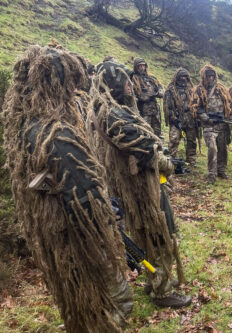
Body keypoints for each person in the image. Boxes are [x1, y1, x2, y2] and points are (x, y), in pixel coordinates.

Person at [2, 44, 133, 332]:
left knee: (74, 291)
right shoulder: (56, 134)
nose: (74, 91)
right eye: (68, 83)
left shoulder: (25, 126)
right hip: (72, 232)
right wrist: (104, 216)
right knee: (91, 289)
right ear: (56, 83)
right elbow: (82, 196)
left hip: (53, 231)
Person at [88, 60, 191, 308]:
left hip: (125, 185)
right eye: (124, 82)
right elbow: (143, 150)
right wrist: (168, 163)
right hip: (141, 186)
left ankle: (155, 278)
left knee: (144, 232)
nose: (130, 86)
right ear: (113, 85)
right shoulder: (114, 114)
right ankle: (163, 291)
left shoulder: (99, 110)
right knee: (160, 231)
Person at [191, 64, 232, 184]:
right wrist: (206, 118)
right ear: (204, 77)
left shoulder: (221, 89)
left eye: (212, 76)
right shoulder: (199, 90)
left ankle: (221, 170)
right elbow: (196, 107)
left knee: (222, 148)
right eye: (208, 76)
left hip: (222, 124)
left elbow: (230, 105)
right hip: (209, 125)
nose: (210, 78)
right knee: (212, 148)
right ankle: (212, 173)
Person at [163, 68, 198, 164]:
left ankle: (191, 160)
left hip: (190, 118)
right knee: (174, 139)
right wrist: (174, 119)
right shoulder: (171, 90)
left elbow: (196, 103)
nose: (183, 78)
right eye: (181, 76)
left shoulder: (191, 89)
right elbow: (168, 107)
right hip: (176, 118)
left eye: (185, 77)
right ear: (177, 77)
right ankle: (172, 160)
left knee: (191, 140)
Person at [132, 57, 164, 137]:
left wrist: (159, 92)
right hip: (142, 109)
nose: (142, 68)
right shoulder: (133, 78)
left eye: (143, 66)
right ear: (136, 67)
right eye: (140, 66)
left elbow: (160, 87)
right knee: (145, 131)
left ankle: (158, 146)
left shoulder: (151, 78)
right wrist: (142, 97)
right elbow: (133, 93)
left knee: (157, 130)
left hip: (154, 108)